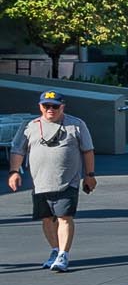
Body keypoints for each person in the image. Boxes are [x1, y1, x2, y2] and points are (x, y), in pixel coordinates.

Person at [8, 91, 96, 271]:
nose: (50, 109)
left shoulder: (76, 125)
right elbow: (18, 150)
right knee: (47, 219)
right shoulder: (30, 126)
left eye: (55, 106)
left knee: (64, 217)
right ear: (40, 106)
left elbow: (88, 151)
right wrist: (14, 172)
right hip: (40, 183)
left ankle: (64, 254)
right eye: (46, 106)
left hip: (67, 181)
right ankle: (55, 250)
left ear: (62, 106)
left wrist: (90, 175)